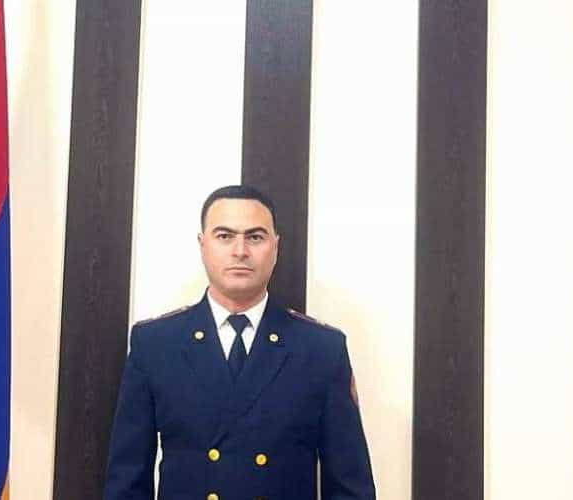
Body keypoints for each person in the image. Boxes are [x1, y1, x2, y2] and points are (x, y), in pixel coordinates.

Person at [103, 185, 375, 500]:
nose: (240, 250)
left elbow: (350, 488)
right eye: (225, 236)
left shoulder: (321, 350)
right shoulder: (156, 345)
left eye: (255, 237)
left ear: (276, 247)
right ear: (202, 245)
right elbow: (126, 483)